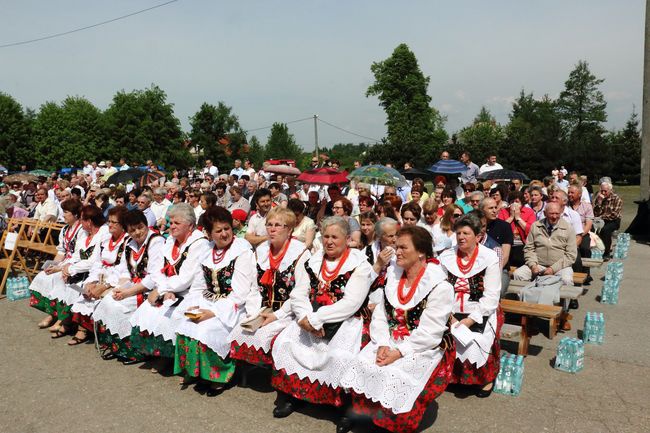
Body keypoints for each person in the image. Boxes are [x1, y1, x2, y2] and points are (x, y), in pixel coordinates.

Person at [340, 226, 454, 433]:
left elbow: (431, 333)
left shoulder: (439, 286)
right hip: (391, 338)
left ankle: (391, 424)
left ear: (421, 252)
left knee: (396, 373)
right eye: (396, 246)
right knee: (363, 362)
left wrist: (398, 352)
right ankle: (360, 413)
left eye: (403, 247)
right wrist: (383, 342)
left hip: (422, 345)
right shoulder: (394, 276)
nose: (397, 251)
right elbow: (381, 315)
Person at [269, 217, 373, 423]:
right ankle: (293, 396)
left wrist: (317, 319)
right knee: (286, 343)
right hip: (311, 316)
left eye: (335, 237)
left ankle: (343, 408)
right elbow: (299, 293)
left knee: (340, 355)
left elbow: (351, 302)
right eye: (326, 236)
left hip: (345, 320)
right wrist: (305, 318)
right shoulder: (313, 261)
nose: (330, 241)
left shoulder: (360, 264)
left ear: (347, 239)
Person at [173, 206, 257, 395]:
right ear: (209, 234)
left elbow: (240, 293)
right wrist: (194, 305)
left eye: (227, 228)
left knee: (206, 328)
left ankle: (219, 376)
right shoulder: (206, 250)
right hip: (207, 301)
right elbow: (198, 285)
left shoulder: (241, 250)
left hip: (232, 307)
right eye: (218, 231)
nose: (224, 234)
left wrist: (212, 312)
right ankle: (197, 372)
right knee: (184, 323)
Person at [129, 203, 210, 371]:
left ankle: (170, 358)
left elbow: (186, 278)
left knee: (169, 316)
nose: (171, 226)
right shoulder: (170, 240)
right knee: (148, 309)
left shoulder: (198, 243)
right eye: (171, 222)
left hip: (190, 292)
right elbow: (158, 270)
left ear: (190, 225)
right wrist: (164, 290)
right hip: (169, 289)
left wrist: (162, 290)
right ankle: (154, 353)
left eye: (176, 223)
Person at [229, 207, 310, 367]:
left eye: (278, 225)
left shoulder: (300, 253)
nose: (272, 229)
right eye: (269, 224)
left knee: (264, 336)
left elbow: (301, 292)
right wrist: (254, 313)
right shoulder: (261, 250)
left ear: (289, 230)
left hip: (288, 311)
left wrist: (277, 315)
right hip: (262, 309)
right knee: (240, 330)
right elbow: (253, 287)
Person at [439, 212, 502, 397]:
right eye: (458, 233)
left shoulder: (489, 257)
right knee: (441, 336)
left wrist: (469, 320)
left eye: (466, 233)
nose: (461, 237)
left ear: (478, 237)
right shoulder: (446, 257)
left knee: (478, 339)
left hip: (479, 310)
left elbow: (491, 296)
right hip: (449, 311)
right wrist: (448, 316)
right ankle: (453, 377)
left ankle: (485, 378)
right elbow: (439, 290)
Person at [92, 210, 166, 363]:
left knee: (119, 307)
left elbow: (153, 278)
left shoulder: (155, 241)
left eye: (140, 227)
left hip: (151, 290)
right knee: (107, 301)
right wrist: (119, 288)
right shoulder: (129, 244)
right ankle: (116, 346)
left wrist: (127, 292)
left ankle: (134, 351)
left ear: (146, 225)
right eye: (132, 230)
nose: (138, 232)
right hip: (133, 286)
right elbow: (125, 271)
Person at [48, 205, 109, 341]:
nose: (80, 223)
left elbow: (94, 260)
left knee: (77, 287)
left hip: (97, 272)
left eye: (82, 220)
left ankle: (82, 329)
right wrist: (64, 266)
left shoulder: (103, 234)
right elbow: (76, 255)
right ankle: (66, 321)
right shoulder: (86, 235)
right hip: (82, 270)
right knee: (61, 281)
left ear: (89, 221)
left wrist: (70, 269)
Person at [70, 207, 130, 347]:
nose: (109, 225)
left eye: (114, 222)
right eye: (109, 221)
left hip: (119, 280)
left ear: (123, 225)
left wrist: (104, 285)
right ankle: (83, 329)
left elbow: (123, 270)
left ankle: (106, 336)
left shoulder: (126, 242)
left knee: (104, 300)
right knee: (85, 294)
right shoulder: (106, 240)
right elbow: (97, 263)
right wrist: (92, 281)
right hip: (103, 276)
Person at [29, 199, 86, 329]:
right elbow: (61, 251)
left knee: (57, 278)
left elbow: (78, 255)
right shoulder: (65, 229)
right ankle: (52, 313)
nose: (63, 215)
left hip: (76, 265)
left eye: (66, 212)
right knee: (43, 276)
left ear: (76, 214)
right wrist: (53, 265)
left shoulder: (82, 230)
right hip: (64, 262)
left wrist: (58, 269)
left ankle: (62, 318)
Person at [513, 202, 577, 287]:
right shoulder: (536, 226)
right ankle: (524, 299)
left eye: (557, 213)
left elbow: (571, 255)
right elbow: (529, 248)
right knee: (519, 274)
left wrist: (552, 269)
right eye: (551, 213)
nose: (554, 217)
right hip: (538, 265)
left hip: (561, 267)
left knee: (566, 280)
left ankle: (565, 300)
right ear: (544, 213)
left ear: (561, 213)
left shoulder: (568, 228)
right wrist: (533, 265)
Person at [501, 191, 536, 268]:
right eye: (512, 202)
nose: (514, 204)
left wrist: (518, 218)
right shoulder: (503, 211)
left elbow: (530, 229)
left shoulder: (529, 212)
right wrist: (511, 217)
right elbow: (500, 228)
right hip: (507, 244)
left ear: (522, 203)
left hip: (523, 244)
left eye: (516, 202)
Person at [592, 181, 623, 259]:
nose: (603, 192)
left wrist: (602, 217)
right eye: (602, 190)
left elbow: (614, 214)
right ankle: (593, 250)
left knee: (605, 230)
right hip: (601, 220)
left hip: (613, 221)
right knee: (591, 227)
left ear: (610, 190)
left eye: (605, 191)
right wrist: (599, 203)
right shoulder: (600, 198)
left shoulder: (616, 199)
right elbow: (595, 213)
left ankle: (607, 252)